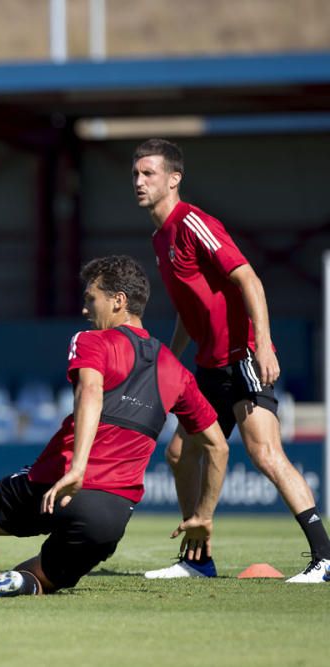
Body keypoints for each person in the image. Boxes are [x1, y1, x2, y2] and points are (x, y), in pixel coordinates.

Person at [0, 255, 229, 597]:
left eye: (91, 298)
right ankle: (9, 584)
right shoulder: (175, 370)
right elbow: (218, 446)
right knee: (45, 575)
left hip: (57, 482)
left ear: (118, 301)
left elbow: (91, 393)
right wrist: (203, 514)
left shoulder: (93, 341)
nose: (84, 308)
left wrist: (78, 469)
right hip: (113, 514)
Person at [133, 138, 330, 583]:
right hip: (208, 365)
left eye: (149, 173)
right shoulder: (160, 236)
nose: (139, 181)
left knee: (265, 454)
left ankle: (325, 556)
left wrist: (262, 343)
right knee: (181, 453)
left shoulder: (193, 223)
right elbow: (190, 307)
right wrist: (170, 359)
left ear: (174, 179)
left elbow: (249, 280)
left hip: (242, 358)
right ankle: (197, 559)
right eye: (136, 173)